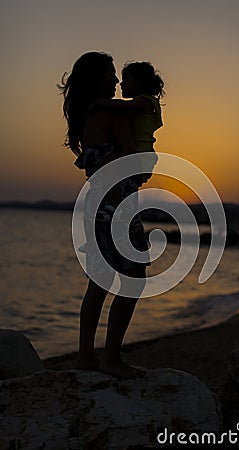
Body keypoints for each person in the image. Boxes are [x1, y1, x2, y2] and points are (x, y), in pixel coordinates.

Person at [58, 52, 149, 378]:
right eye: (110, 74)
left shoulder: (89, 116)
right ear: (97, 78)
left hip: (95, 207)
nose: (114, 80)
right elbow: (133, 161)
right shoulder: (113, 115)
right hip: (117, 209)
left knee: (99, 283)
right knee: (134, 280)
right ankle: (111, 358)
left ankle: (86, 356)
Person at [88, 61, 165, 213]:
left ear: (139, 82)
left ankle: (115, 208)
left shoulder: (145, 102)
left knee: (122, 182)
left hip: (140, 155)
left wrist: (101, 103)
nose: (121, 84)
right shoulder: (140, 104)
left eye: (126, 80)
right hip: (139, 155)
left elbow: (124, 106)